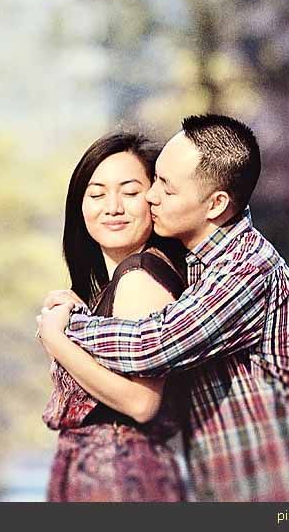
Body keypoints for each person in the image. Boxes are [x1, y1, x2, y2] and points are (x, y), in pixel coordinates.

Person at [39, 114, 289, 502]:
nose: (151, 196)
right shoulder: (198, 260)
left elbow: (154, 344)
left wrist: (61, 330)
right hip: (228, 482)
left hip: (279, 482)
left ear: (215, 204)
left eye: (163, 186)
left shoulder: (246, 268)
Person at [37, 131, 189, 502]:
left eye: (130, 191)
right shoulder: (122, 283)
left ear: (154, 199)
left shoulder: (139, 277)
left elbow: (141, 402)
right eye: (97, 193)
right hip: (104, 476)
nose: (113, 206)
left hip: (122, 479)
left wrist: (57, 339)